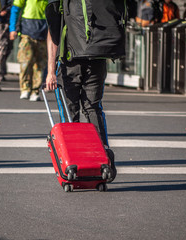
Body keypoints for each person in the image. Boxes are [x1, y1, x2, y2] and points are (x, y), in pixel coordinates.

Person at [45, 0, 123, 182]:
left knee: (69, 110)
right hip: (97, 59)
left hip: (70, 61)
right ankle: (104, 157)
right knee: (93, 108)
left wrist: (50, 71)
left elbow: (53, 35)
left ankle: (72, 160)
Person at [9, 0, 48, 101]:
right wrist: (12, 28)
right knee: (25, 62)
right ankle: (25, 88)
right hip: (27, 31)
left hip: (43, 33)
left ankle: (35, 90)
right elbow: (15, 9)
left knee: (40, 64)